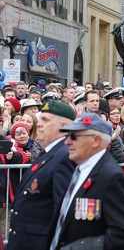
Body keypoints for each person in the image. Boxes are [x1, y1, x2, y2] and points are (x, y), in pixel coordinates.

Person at [47, 113, 124, 250]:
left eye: (73, 137)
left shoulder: (111, 176)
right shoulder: (79, 170)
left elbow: (123, 232)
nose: (67, 142)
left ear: (95, 140)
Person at [7, 100, 76, 250]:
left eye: (46, 120)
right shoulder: (49, 153)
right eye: (40, 119)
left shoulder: (65, 156)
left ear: (64, 126)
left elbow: (65, 213)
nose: (38, 124)